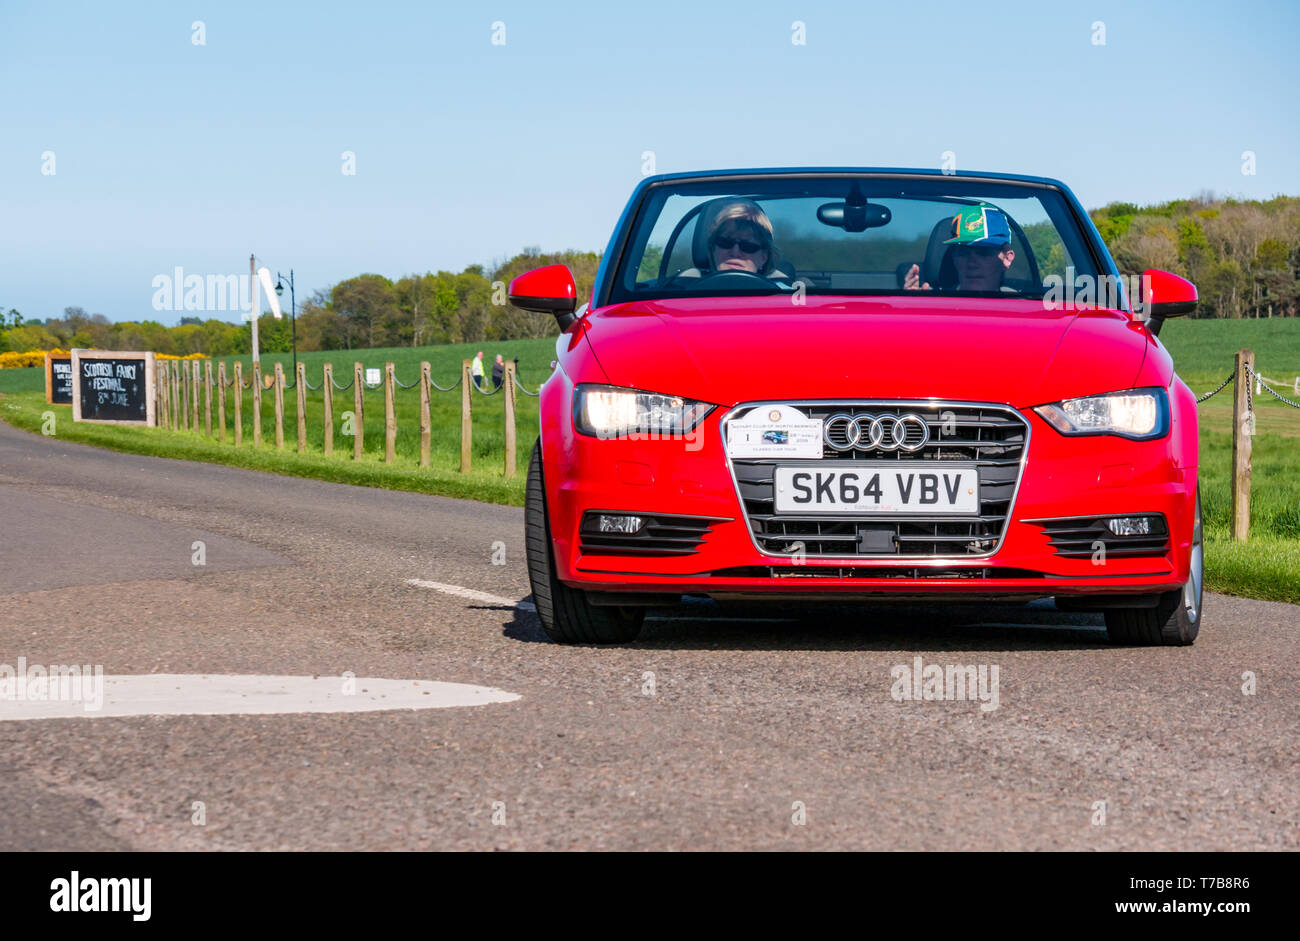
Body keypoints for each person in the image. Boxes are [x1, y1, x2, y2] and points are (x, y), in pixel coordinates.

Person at [904, 204, 1016, 292]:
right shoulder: (934, 303)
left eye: (983, 252)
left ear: (1007, 259)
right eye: (963, 252)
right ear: (954, 258)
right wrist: (911, 305)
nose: (972, 263)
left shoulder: (1022, 307)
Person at [704, 199, 781, 276]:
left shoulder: (782, 287)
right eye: (725, 242)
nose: (735, 253)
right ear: (713, 249)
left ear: (764, 257)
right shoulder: (693, 283)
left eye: (747, 246)